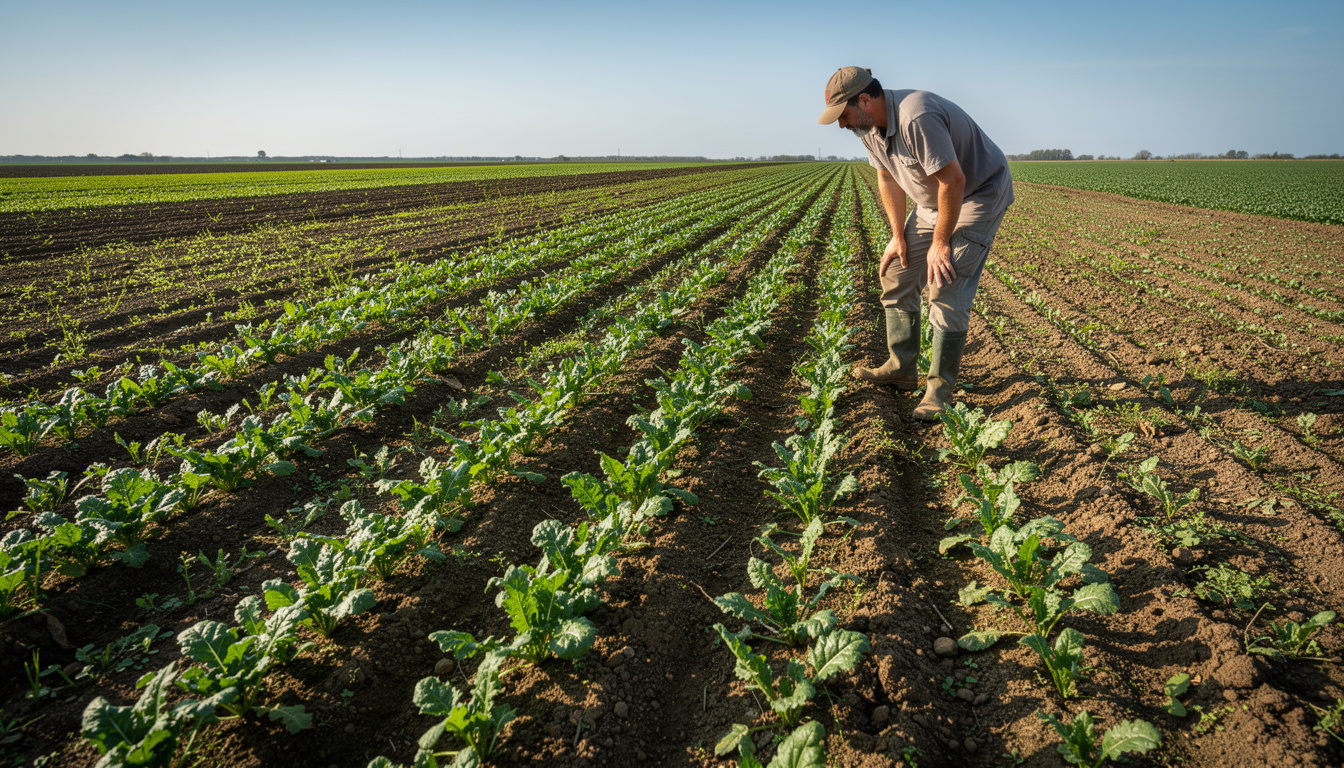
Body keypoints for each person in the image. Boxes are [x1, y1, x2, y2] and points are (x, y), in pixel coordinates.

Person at [818, 66, 1013, 420]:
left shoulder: (915, 116)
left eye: (843, 115)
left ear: (865, 100)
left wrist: (941, 244)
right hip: (932, 202)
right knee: (896, 270)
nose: (842, 125)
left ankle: (939, 390)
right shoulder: (869, 127)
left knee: (944, 282)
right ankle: (901, 367)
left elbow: (953, 180)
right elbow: (886, 177)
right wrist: (897, 237)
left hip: (976, 194)